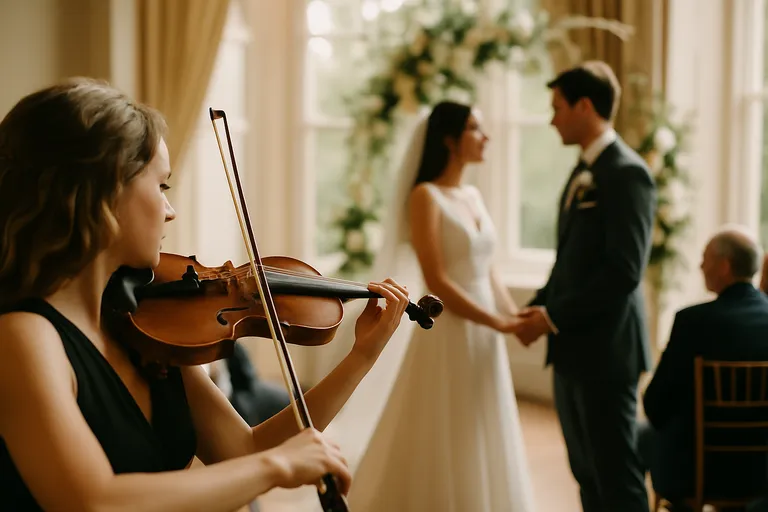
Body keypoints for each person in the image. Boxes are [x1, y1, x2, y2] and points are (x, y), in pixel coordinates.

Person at [0, 77, 412, 511]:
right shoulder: (23, 338)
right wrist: (278, 467)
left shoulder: (144, 323)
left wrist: (361, 356)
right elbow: (95, 502)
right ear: (101, 193)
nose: (170, 210)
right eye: (161, 186)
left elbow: (245, 450)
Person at [328, 101, 535, 512]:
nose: (486, 136)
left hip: (485, 329)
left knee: (483, 416)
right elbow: (438, 279)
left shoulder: (473, 194)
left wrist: (513, 314)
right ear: (449, 139)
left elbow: (487, 266)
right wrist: (497, 321)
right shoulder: (425, 196)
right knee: (446, 421)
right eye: (475, 128)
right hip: (449, 326)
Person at [514, 61, 656, 512]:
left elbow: (623, 272)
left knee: (617, 476)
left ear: (585, 106)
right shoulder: (583, 172)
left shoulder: (627, 173)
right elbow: (571, 259)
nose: (552, 117)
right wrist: (538, 306)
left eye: (557, 107)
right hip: (572, 348)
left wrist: (552, 317)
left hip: (607, 354)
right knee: (586, 473)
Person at [640, 226, 768, 510]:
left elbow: (655, 407)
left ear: (724, 267)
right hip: (763, 472)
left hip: (701, 471)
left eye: (705, 258)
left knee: (638, 437)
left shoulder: (692, 322)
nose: (700, 265)